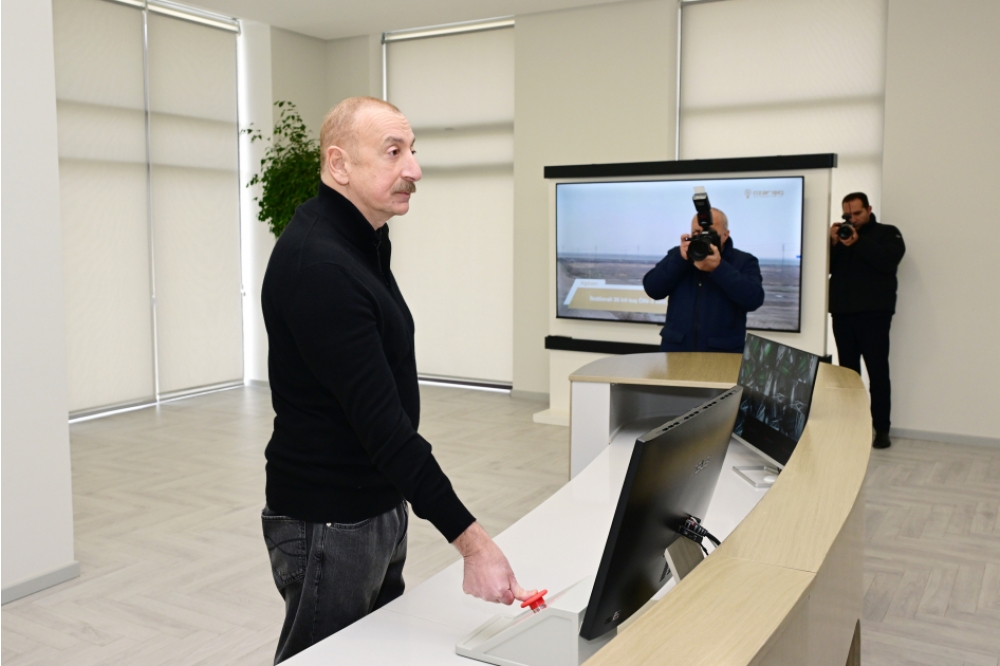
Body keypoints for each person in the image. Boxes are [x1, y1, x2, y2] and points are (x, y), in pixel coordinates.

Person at [259, 96, 534, 663]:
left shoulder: (363, 241)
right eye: (393, 152)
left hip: (375, 503)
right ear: (339, 165)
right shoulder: (321, 266)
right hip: (330, 519)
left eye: (412, 150)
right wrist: (473, 543)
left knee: (374, 654)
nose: (414, 169)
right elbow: (383, 426)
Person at [829, 192, 905, 449]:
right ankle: (852, 425)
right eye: (848, 215)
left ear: (869, 209)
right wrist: (832, 244)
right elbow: (827, 269)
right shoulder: (840, 237)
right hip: (842, 314)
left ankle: (881, 429)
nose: (852, 219)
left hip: (875, 315)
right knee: (848, 375)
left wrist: (858, 241)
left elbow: (888, 262)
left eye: (857, 213)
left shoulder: (887, 233)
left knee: (878, 373)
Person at [643, 208, 765, 353]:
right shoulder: (678, 255)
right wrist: (680, 260)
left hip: (723, 354)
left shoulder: (744, 261)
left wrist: (719, 268)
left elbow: (754, 299)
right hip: (676, 351)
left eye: (709, 232)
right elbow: (652, 288)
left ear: (725, 235)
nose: (702, 237)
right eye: (696, 232)